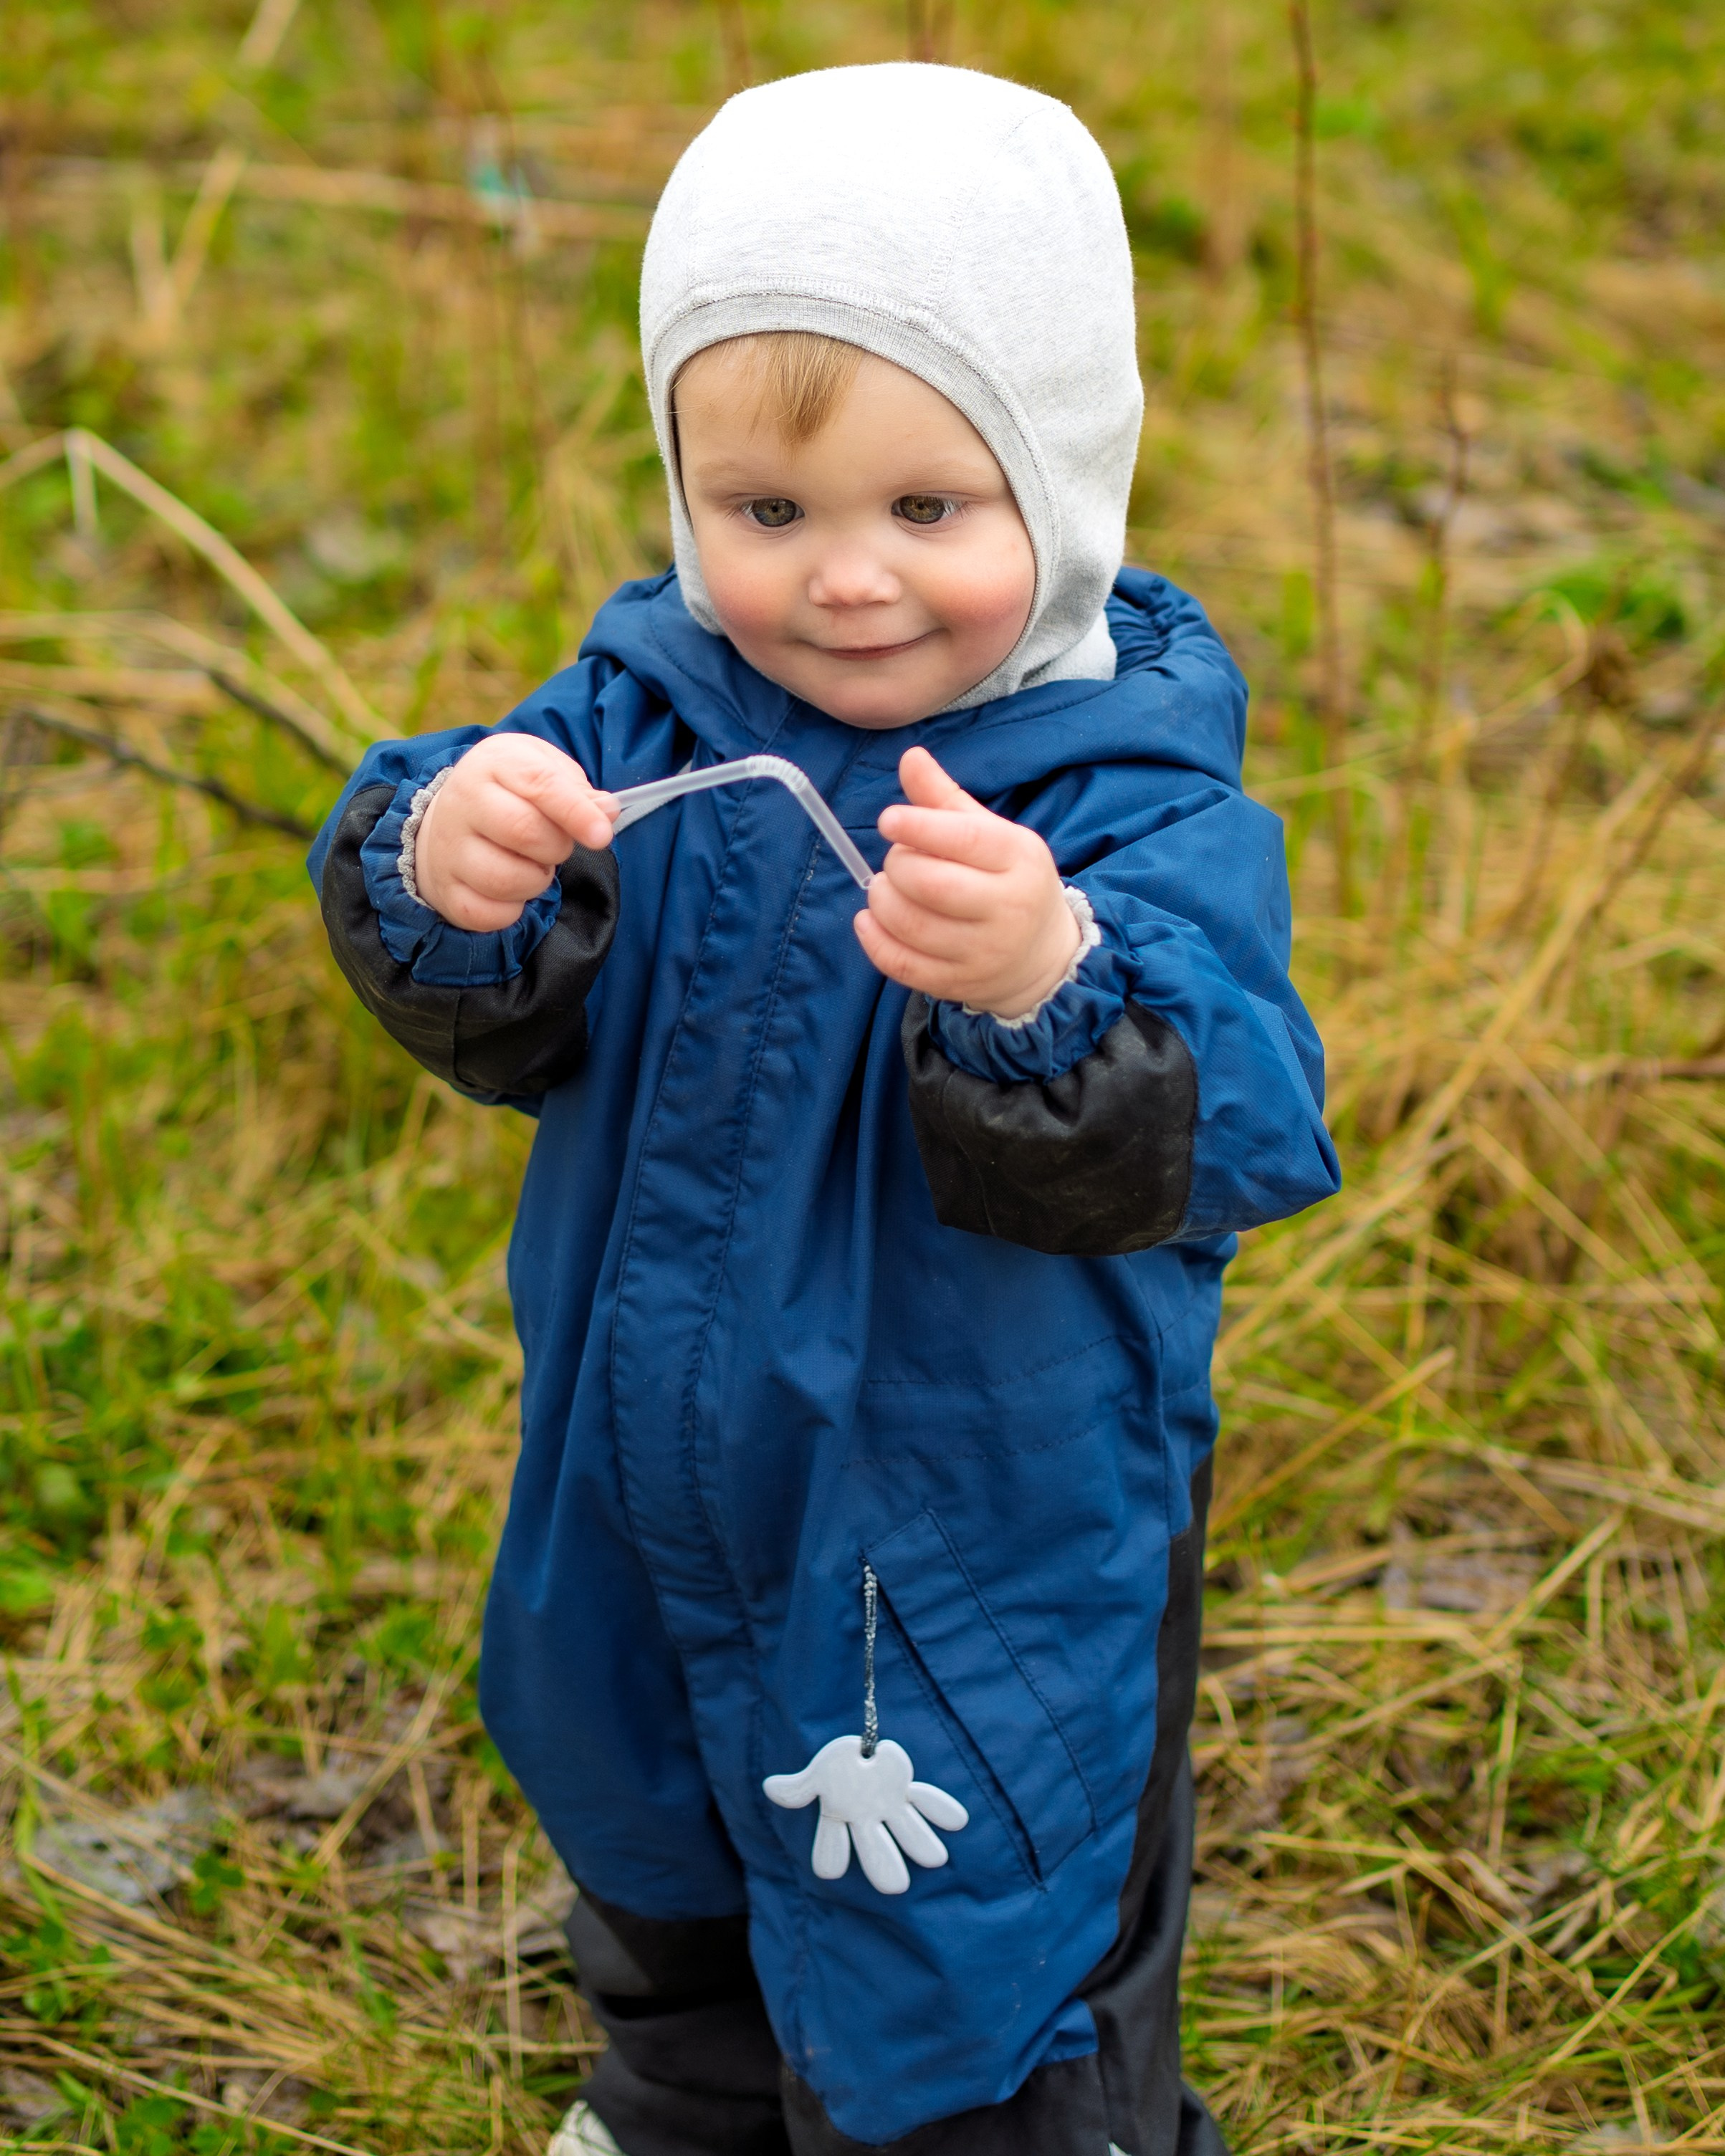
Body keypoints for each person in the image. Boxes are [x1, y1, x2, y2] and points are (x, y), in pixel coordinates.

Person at [308, 61, 1340, 2156]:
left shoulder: (1121, 793)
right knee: (661, 1819)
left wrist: (1048, 982)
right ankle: (681, 2101)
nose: (844, 579)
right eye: (766, 514)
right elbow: (498, 1009)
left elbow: (1230, 1116)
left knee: (968, 1933)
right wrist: (448, 865)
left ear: (1057, 482)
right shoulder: (640, 709)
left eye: (926, 511)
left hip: (968, 1548)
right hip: (645, 1463)